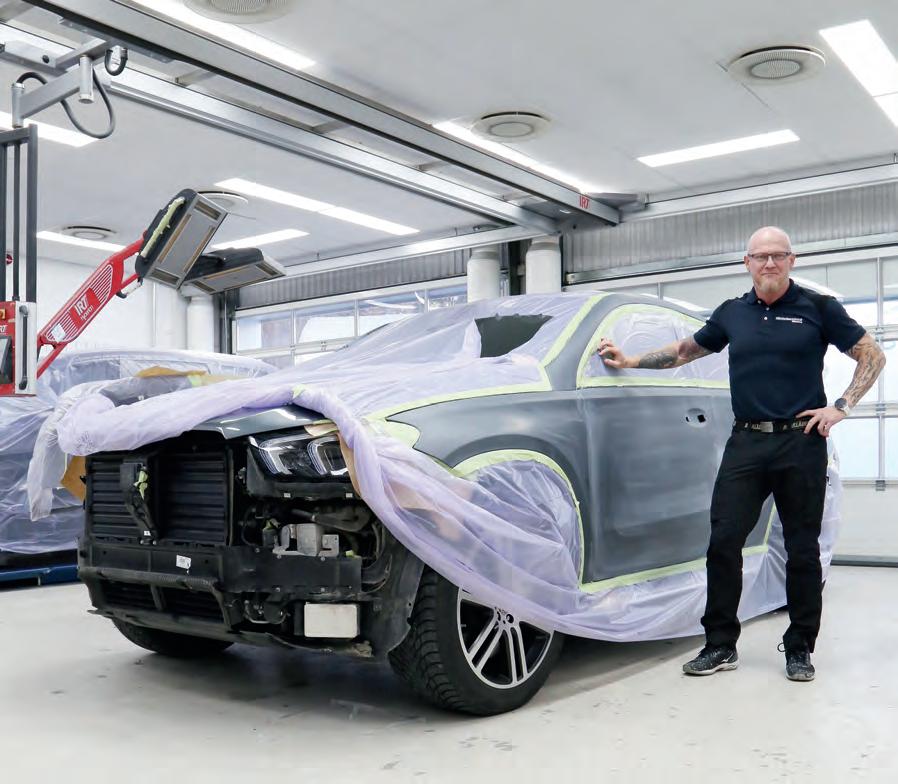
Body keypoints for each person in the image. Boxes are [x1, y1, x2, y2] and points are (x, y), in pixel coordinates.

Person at [598, 226, 885, 682]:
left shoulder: (819, 308)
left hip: (801, 442)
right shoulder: (732, 312)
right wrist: (630, 360)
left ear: (792, 260)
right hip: (747, 442)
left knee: (802, 549)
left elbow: (872, 354)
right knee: (723, 542)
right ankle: (720, 644)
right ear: (746, 263)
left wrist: (841, 406)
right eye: (760, 256)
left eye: (777, 255)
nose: (769, 263)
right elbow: (686, 350)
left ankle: (799, 648)